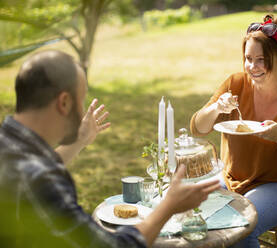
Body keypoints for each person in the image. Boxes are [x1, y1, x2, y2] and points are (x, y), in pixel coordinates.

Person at [0, 50, 220, 248]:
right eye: (81, 100)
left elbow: (31, 164)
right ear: (64, 103)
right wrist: (169, 206)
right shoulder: (41, 180)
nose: (82, 109)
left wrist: (78, 141)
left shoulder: (9, 143)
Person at [190, 14, 277, 247]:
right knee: (188, 213)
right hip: (230, 181)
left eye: (261, 60)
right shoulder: (235, 84)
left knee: (241, 226)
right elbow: (197, 128)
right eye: (248, 58)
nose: (252, 67)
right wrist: (216, 108)